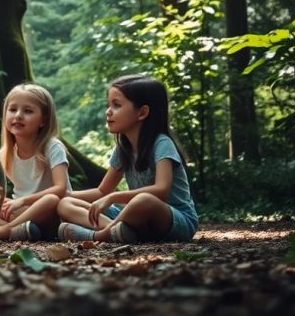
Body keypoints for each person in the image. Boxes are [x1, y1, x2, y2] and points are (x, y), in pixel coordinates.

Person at [56, 74, 198, 243]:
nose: (108, 111)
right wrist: (65, 195)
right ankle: (119, 231)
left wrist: (113, 198)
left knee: (143, 201)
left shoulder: (161, 143)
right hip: (138, 219)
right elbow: (102, 191)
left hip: (176, 221)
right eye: (108, 105)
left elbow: (161, 190)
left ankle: (100, 235)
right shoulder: (123, 148)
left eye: (116, 105)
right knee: (66, 204)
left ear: (142, 112)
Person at [0, 83, 69, 242]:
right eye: (13, 109)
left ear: (43, 120)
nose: (18, 115)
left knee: (51, 200)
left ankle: (3, 232)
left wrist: (22, 201)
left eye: (28, 111)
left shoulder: (52, 147)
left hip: (51, 214)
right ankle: (22, 230)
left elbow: (60, 189)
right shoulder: (5, 153)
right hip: (21, 213)